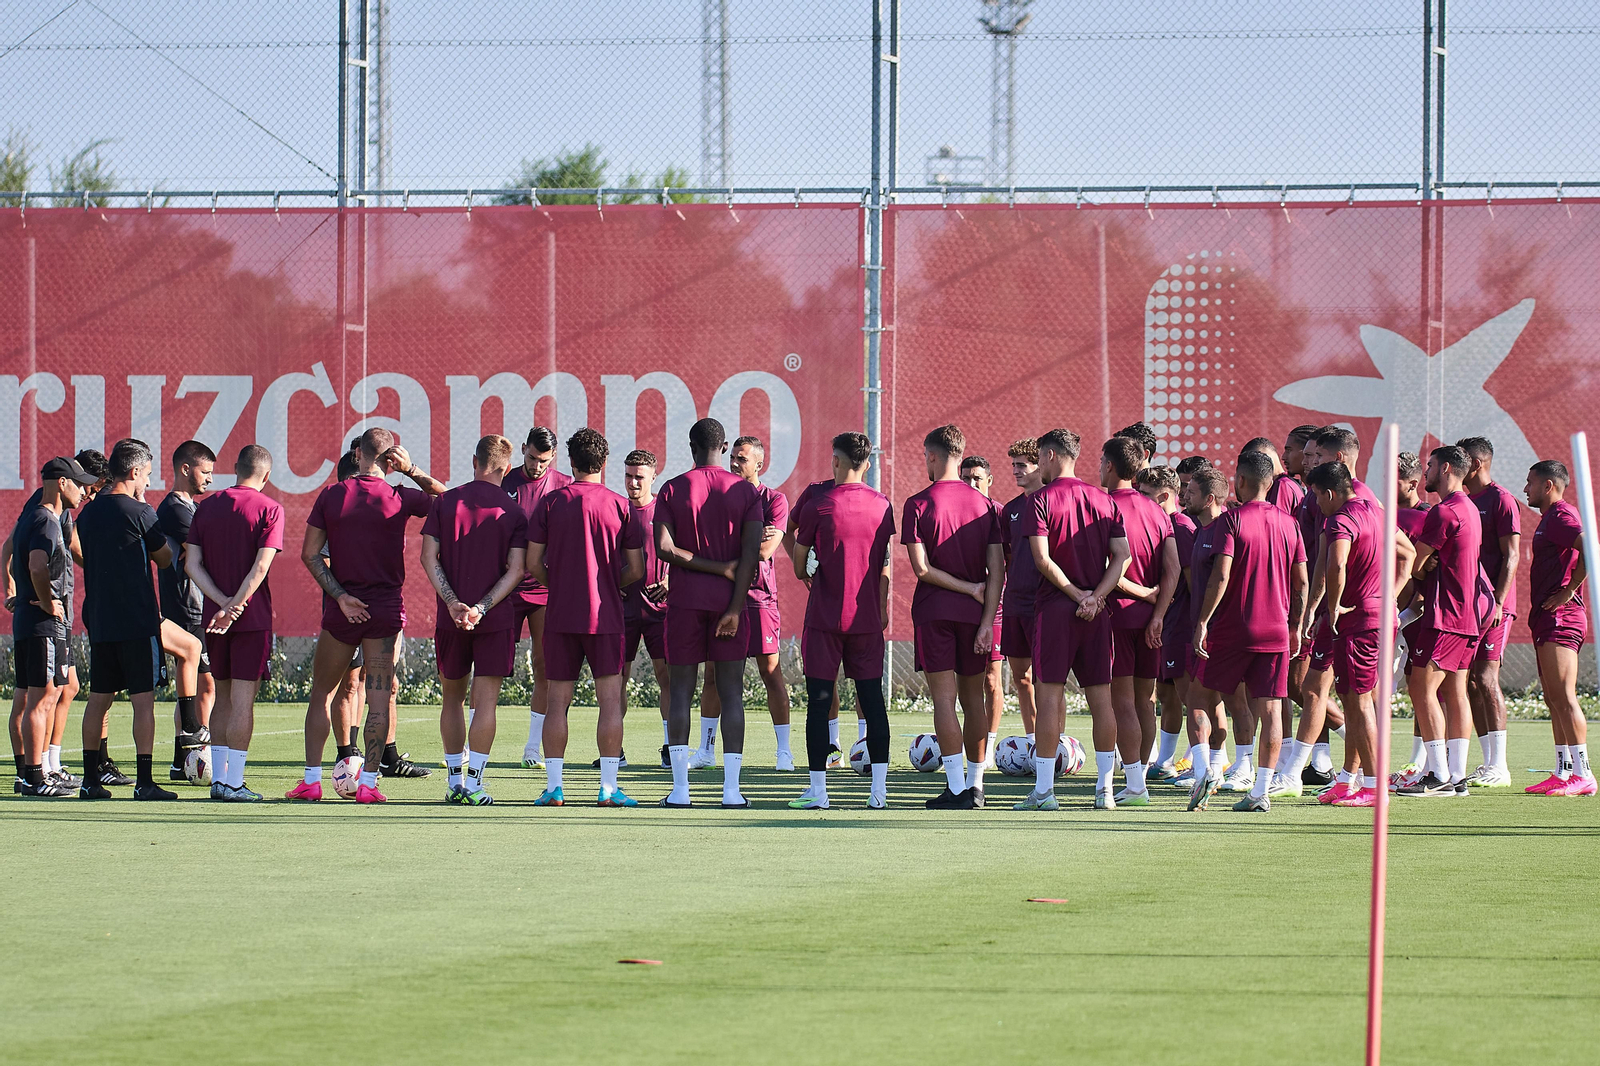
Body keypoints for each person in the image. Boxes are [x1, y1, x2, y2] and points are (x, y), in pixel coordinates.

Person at [289, 428, 443, 801]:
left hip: (346, 607)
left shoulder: (332, 494)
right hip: (386, 609)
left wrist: (340, 596)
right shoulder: (399, 495)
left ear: (357, 454)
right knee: (377, 700)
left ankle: (312, 782)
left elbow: (310, 554)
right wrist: (412, 471)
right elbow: (452, 501)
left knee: (322, 694)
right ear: (392, 459)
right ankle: (369, 786)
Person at [527, 428, 646, 807]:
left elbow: (532, 563)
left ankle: (554, 788)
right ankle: (608, 789)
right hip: (606, 616)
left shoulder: (550, 502)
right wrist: (610, 583)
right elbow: (637, 568)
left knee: (557, 699)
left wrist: (559, 584)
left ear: (570, 462)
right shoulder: (620, 505)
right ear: (605, 463)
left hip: (561, 613)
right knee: (610, 701)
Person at [1188, 449, 1308, 813]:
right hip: (1275, 633)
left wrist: (1204, 621)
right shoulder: (1290, 523)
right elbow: (1301, 582)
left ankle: (1205, 771)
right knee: (1271, 708)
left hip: (1232, 629)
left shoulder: (1231, 521)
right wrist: (1296, 626)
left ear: (1239, 481)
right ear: (1271, 483)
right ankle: (1260, 791)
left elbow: (1221, 575)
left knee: (1198, 697)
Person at [1016, 428, 1130, 811]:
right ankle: (1106, 791)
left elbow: (1042, 560)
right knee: (1102, 700)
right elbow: (1121, 557)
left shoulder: (1040, 500)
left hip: (1056, 610)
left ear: (1049, 456)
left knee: (1049, 698)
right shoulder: (1104, 499)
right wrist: (1095, 596)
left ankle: (1045, 792)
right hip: (1096, 612)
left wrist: (1079, 595)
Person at [653, 417, 763, 808]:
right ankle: (731, 792)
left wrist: (707, 566)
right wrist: (734, 605)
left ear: (691, 445)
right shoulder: (746, 492)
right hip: (731, 604)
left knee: (681, 691)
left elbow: (665, 550)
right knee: (731, 693)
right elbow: (751, 556)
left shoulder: (672, 488)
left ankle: (681, 791)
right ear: (724, 446)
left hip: (684, 603)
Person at [787, 432, 896, 810]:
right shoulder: (883, 505)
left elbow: (799, 555)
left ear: (836, 460)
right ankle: (878, 794)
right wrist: (881, 607)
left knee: (819, 703)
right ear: (867, 464)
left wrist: (807, 573)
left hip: (824, 617)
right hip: (865, 619)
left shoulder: (820, 502)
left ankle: (819, 792)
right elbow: (884, 564)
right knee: (872, 702)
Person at [422, 435, 528, 806]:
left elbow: (427, 558)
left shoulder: (446, 501)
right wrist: (481, 607)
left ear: (474, 460)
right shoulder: (513, 512)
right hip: (494, 619)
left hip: (451, 619)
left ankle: (454, 783)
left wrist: (453, 603)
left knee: (451, 700)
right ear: (506, 468)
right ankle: (475, 785)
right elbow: (517, 570)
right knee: (486, 705)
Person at [902, 424, 1004, 809]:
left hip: (934, 612)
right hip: (975, 617)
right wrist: (984, 617)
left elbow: (922, 569)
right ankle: (976, 788)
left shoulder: (918, 503)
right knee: (973, 700)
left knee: (944, 702)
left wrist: (966, 589)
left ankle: (957, 788)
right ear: (960, 456)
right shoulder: (986, 506)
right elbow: (998, 571)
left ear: (931, 455)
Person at [1307, 460, 1415, 807]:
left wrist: (1334, 604)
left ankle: (1373, 786)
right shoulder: (1378, 511)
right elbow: (1408, 552)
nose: (1318, 506)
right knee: (1357, 700)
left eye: (1317, 498)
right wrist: (1392, 595)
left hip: (1359, 620)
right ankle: (1350, 780)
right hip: (1380, 616)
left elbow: (1336, 564)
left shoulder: (1341, 519)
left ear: (1328, 493)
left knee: (1358, 700)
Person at [75, 439, 179, 800]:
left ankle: (90, 781)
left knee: (98, 699)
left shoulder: (87, 513)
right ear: (134, 472)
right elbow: (164, 558)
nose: (148, 482)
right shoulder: (139, 511)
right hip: (137, 621)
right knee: (143, 701)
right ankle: (144, 782)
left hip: (102, 620)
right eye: (147, 475)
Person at [183, 446, 285, 802]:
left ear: (235, 469)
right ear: (266, 476)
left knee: (222, 696)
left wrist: (222, 603)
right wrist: (237, 605)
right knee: (242, 700)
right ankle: (233, 782)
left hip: (214, 617)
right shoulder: (270, 508)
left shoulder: (207, 506)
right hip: (250, 619)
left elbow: (191, 565)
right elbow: (261, 567)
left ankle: (219, 782)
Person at [692, 436, 794, 771]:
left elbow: (764, 551)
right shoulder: (720, 496)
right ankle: (706, 751)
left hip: (759, 598)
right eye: (733, 457)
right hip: (722, 595)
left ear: (759, 464)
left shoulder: (774, 500)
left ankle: (784, 752)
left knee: (770, 672)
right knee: (713, 677)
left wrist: (732, 544)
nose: (735, 463)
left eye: (743, 459)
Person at [1398, 445, 1484, 797]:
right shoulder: (1470, 509)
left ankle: (1438, 776)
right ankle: (1456, 775)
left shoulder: (1444, 511)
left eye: (1430, 465)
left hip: (1445, 614)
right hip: (1467, 613)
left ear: (1445, 468)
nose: (1427, 471)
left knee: (1421, 688)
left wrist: (1423, 563)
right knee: (1454, 690)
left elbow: (1415, 565)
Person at [9, 457, 97, 796]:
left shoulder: (39, 517)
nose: (83, 491)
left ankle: (37, 773)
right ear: (62, 483)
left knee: (48, 695)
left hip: (36, 624)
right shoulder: (45, 519)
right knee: (42, 698)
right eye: (79, 483)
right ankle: (34, 777)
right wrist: (47, 601)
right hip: (42, 624)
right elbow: (35, 564)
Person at [1101, 435, 1178, 804]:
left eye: (1102, 461)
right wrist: (1159, 612)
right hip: (1151, 622)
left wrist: (1142, 595)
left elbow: (1108, 566)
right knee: (1145, 701)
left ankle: (1135, 784)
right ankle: (1139, 778)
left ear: (1111, 466)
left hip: (1116, 616)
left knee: (1123, 703)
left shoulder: (1101, 505)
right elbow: (1173, 568)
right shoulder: (1157, 512)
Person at [1522, 461, 1595, 797]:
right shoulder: (1550, 519)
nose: (1526, 489)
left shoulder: (1562, 516)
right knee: (1553, 698)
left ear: (1548, 485)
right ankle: (1563, 771)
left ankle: (1584, 774)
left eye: (1530, 483)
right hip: (1546, 617)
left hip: (1562, 617)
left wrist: (1570, 588)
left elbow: (1590, 548)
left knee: (1564, 696)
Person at [504, 426, 573, 770]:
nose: (537, 466)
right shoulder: (504, 482)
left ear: (554, 458)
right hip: (505, 589)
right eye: (532, 458)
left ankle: (533, 747)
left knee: (547, 667)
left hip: (547, 590)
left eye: (544, 460)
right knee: (488, 669)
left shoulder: (563, 485)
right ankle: (469, 749)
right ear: (523, 450)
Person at [1458, 436, 1520, 788]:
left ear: (1477, 465)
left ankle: (1500, 765)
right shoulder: (1465, 501)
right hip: (1467, 606)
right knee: (1467, 682)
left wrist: (1497, 601)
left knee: (1485, 678)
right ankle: (1486, 764)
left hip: (1494, 606)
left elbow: (1511, 555)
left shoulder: (1502, 500)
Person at [155, 439, 217, 782]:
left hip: (197, 606)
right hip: (186, 607)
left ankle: (185, 760)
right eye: (204, 472)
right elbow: (207, 551)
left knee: (201, 684)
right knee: (199, 683)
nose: (209, 479)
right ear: (185, 469)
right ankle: (187, 757)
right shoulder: (174, 510)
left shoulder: (189, 507)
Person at [1136, 464, 1195, 783]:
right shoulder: (1162, 523)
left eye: (1144, 495)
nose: (1138, 500)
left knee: (1194, 700)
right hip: (1166, 627)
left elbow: (1191, 582)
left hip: (1182, 628)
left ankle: (1205, 766)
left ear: (1163, 496)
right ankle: (1166, 761)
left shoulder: (1181, 527)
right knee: (1167, 694)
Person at [618, 450, 673, 770]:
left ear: (653, 476)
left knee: (666, 677)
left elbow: (685, 549)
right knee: (616, 679)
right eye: (628, 476)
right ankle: (616, 749)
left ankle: (669, 746)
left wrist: (672, 580)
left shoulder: (665, 511)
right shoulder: (616, 509)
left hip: (660, 610)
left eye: (639, 476)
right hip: (622, 609)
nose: (633, 482)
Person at [960, 454, 1005, 770]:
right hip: (962, 605)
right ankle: (962, 746)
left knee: (992, 679)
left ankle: (988, 745)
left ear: (989, 480)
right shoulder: (956, 510)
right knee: (961, 680)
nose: (971, 483)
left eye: (977, 477)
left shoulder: (1000, 514)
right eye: (966, 477)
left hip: (998, 607)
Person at [1391, 451, 1434, 785]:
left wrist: (1406, 613)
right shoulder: (1382, 515)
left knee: (1420, 687)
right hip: (1387, 615)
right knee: (1385, 689)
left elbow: (1424, 572)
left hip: (1415, 617)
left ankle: (1423, 761)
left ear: (1413, 483)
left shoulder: (1428, 517)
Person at [1000, 440, 1043, 749]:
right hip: (1015, 604)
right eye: (1013, 465)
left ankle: (1053, 745)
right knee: (1022, 678)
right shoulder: (1011, 510)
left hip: (1045, 605)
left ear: (1039, 465)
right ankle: (1032, 740)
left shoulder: (1052, 501)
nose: (1015, 471)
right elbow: (1006, 557)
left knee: (1047, 681)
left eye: (1021, 465)